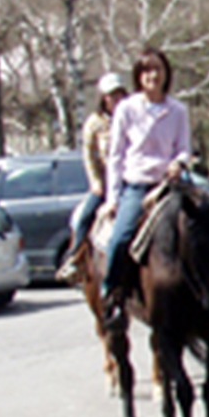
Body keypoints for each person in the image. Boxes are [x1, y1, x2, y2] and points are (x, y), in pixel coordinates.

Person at [100, 47, 193, 328]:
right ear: (139, 77)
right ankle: (113, 293)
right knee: (120, 237)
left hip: (170, 184)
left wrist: (179, 162)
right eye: (147, 70)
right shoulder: (127, 109)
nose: (153, 75)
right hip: (138, 186)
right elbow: (116, 155)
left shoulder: (178, 110)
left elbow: (184, 148)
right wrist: (113, 197)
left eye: (158, 69)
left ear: (167, 74)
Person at [55, 71, 125, 286]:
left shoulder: (132, 116)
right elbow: (89, 156)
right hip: (105, 184)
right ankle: (75, 258)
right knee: (84, 216)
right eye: (111, 95)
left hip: (131, 180)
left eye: (119, 94)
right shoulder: (94, 123)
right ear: (103, 98)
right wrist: (96, 183)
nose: (116, 99)